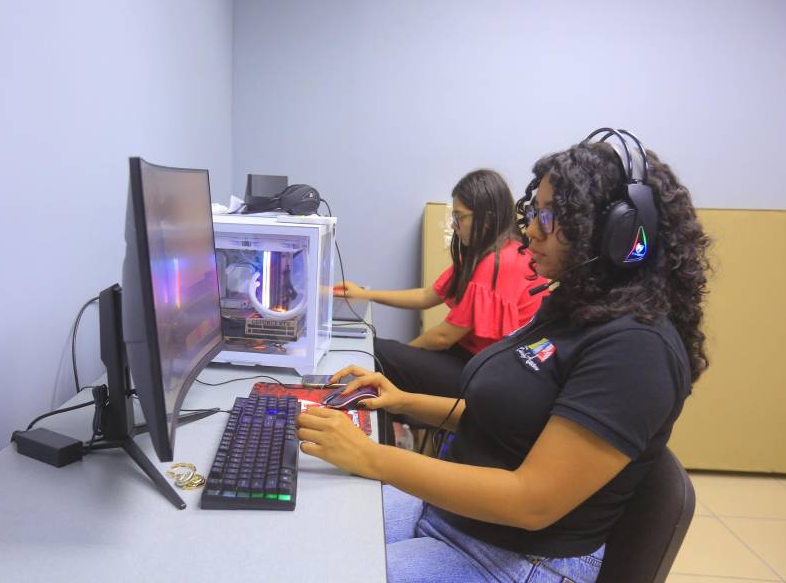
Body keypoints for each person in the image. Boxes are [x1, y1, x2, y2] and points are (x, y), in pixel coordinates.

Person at [297, 131, 711, 582]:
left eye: (551, 217)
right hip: (453, 518)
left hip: (515, 560)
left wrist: (370, 456)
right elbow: (509, 420)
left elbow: (532, 501)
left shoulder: (638, 349)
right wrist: (401, 402)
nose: (532, 228)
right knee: (306, 521)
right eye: (536, 211)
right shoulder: (574, 307)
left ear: (616, 233)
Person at [335, 169, 547, 397]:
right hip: (474, 359)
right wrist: (365, 295)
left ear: (486, 218)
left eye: (459, 216)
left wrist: (402, 356)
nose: (455, 225)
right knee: (386, 358)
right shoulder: (487, 254)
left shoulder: (499, 262)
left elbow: (443, 336)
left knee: (378, 354)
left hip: (492, 378)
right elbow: (427, 295)